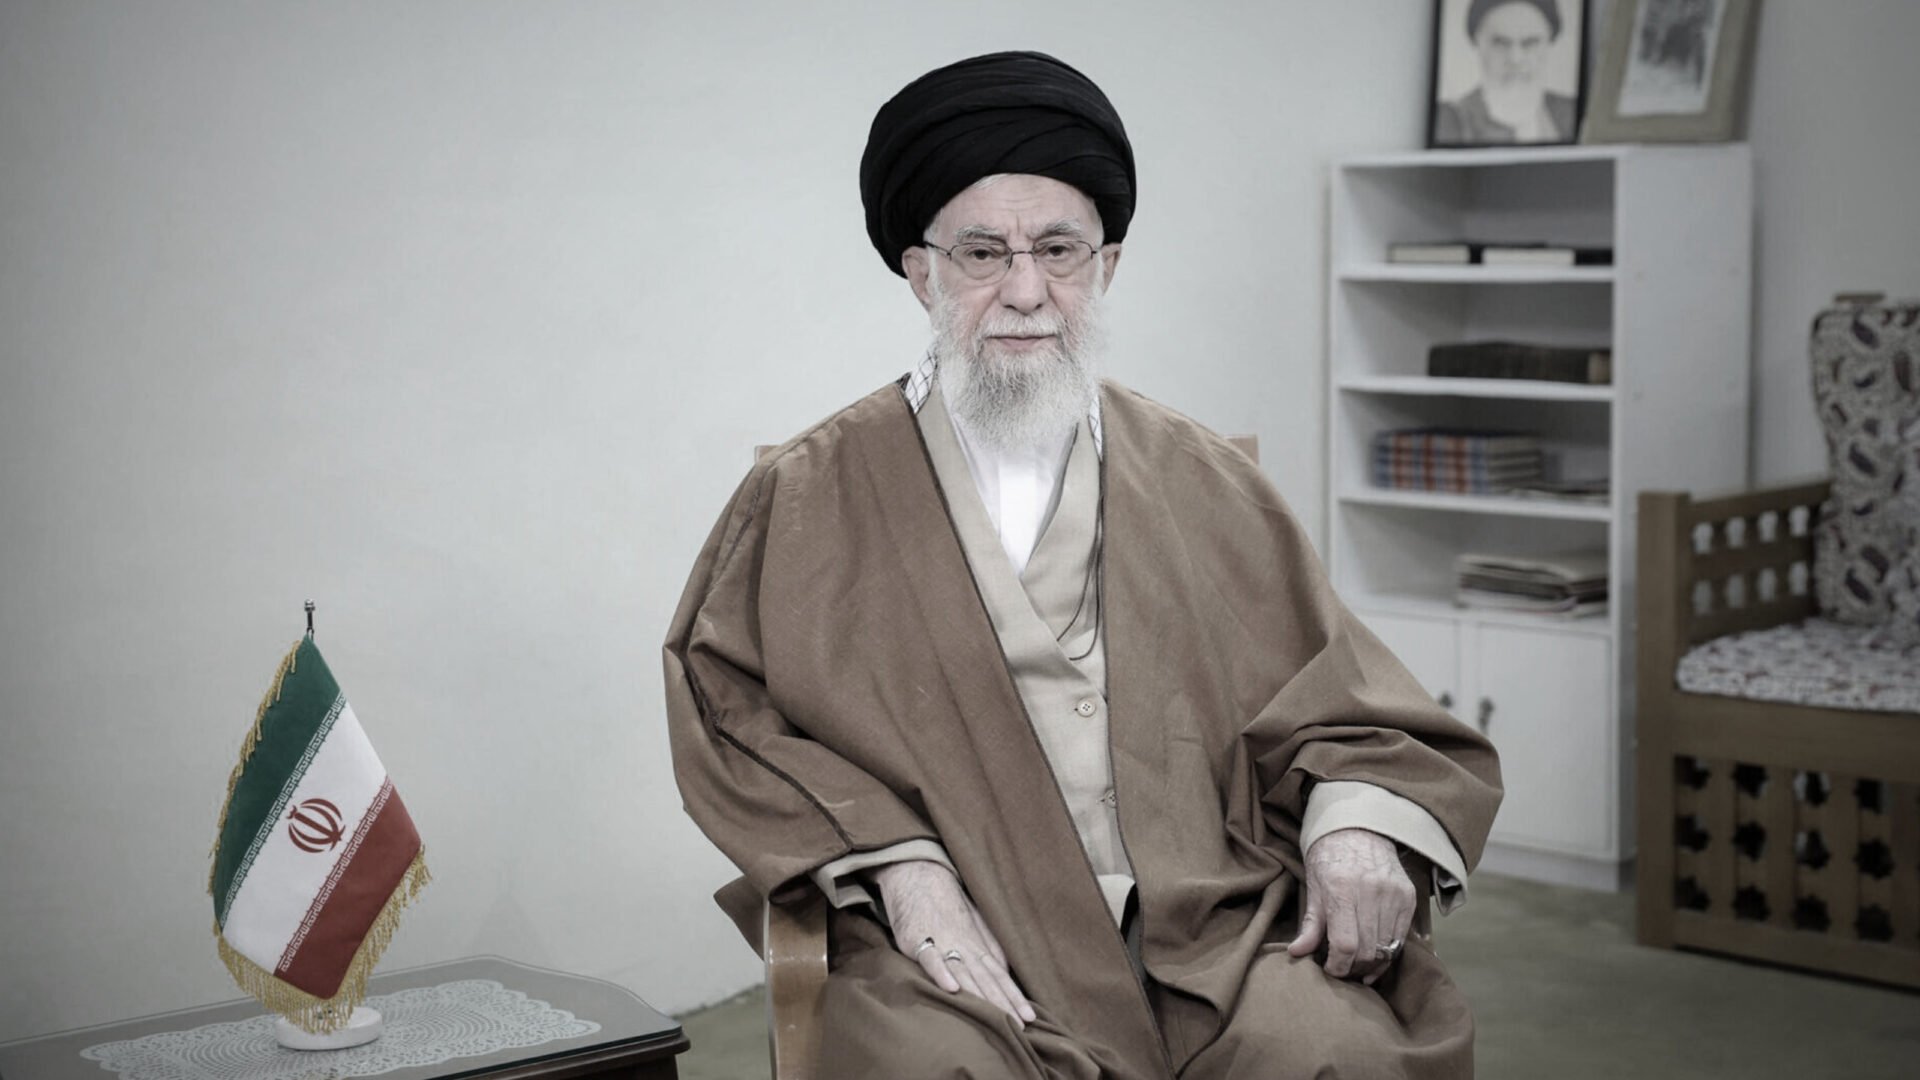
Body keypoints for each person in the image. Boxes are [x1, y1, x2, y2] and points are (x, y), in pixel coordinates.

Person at [665, 51, 1502, 1079]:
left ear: (1106, 266)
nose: (1027, 291)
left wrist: (1352, 831)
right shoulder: (806, 493)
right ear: (921, 272)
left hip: (1216, 916)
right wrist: (906, 872)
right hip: (964, 932)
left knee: (1337, 1053)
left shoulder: (1206, 479)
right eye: (983, 253)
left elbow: (1347, 706)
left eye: (1059, 250)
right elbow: (732, 715)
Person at [1435, 0, 1577, 144]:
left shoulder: (1572, 113)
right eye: (1501, 43)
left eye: (1530, 43)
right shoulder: (1448, 121)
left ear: (1549, 43)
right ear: (1477, 43)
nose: (1515, 59)